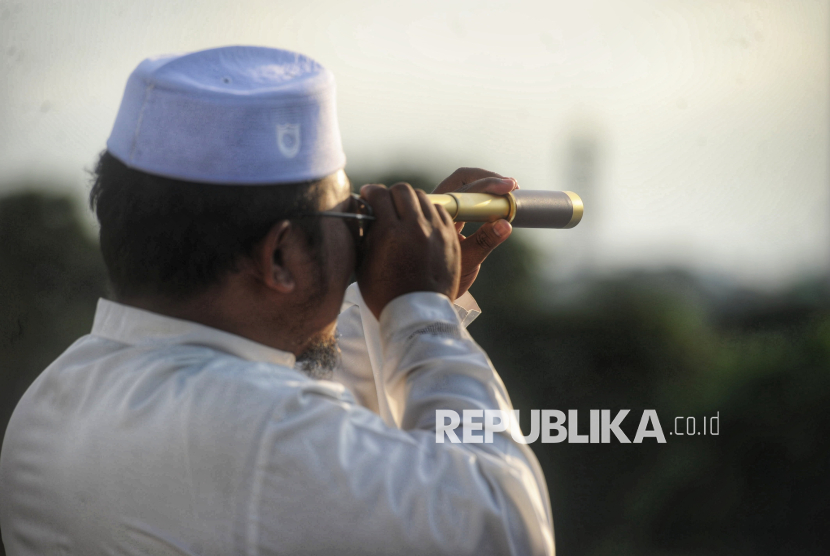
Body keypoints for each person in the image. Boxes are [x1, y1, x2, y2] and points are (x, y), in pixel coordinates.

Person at [0, 46, 553, 555]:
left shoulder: (54, 395)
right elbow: (505, 528)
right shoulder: (268, 434)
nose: (362, 239)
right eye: (351, 216)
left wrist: (386, 313)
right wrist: (422, 313)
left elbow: (299, 418)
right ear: (281, 256)